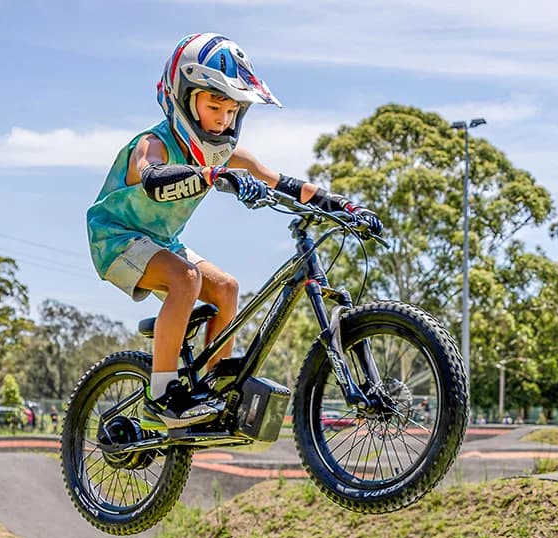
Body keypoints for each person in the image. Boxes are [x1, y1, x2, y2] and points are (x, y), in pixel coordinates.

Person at [86, 33, 381, 430]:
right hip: (116, 237)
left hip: (161, 242)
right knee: (185, 279)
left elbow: (283, 182)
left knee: (226, 287)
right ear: (183, 98)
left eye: (232, 110)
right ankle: (160, 397)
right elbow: (153, 177)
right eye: (213, 106)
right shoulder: (154, 142)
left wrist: (343, 204)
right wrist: (211, 174)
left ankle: (215, 383)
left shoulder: (227, 154)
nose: (223, 119)